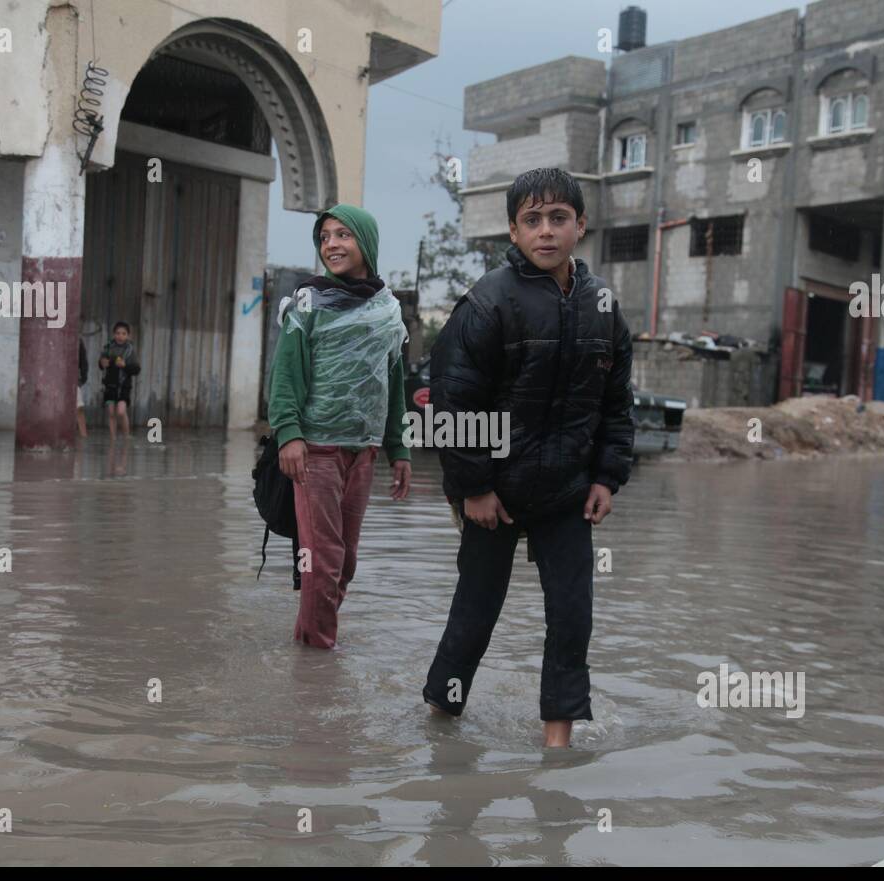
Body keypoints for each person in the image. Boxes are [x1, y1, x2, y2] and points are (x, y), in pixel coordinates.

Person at [422, 168, 635, 748]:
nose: (547, 231)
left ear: (581, 226)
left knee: (572, 616)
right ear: (512, 231)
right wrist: (474, 488)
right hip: (495, 491)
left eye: (558, 218)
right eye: (532, 220)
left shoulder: (604, 308)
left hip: (568, 493)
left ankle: (557, 742)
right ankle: (441, 719)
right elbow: (453, 398)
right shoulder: (488, 302)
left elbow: (616, 404)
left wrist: (607, 478)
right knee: (476, 611)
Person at [266, 203, 412, 650]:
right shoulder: (308, 302)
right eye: (325, 236)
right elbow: (286, 373)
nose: (331, 244)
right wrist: (288, 435)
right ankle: (317, 657)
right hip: (316, 451)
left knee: (344, 560)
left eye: (343, 235)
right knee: (323, 559)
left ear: (365, 243)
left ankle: (309, 642)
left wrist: (398, 448)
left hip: (362, 451)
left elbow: (393, 381)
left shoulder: (387, 309)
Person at [99, 322, 140, 439]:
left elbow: (136, 369)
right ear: (114, 334)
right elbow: (101, 364)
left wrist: (124, 365)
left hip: (124, 386)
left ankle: (127, 437)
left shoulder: (130, 350)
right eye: (118, 333)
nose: (120, 336)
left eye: (123, 333)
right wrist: (102, 363)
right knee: (111, 413)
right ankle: (113, 440)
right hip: (110, 385)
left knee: (121, 411)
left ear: (128, 335)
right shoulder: (107, 348)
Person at [77, 338, 89, 438]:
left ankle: (84, 436)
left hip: (74, 380)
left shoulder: (78, 340)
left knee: (79, 408)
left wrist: (82, 378)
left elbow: (83, 361)